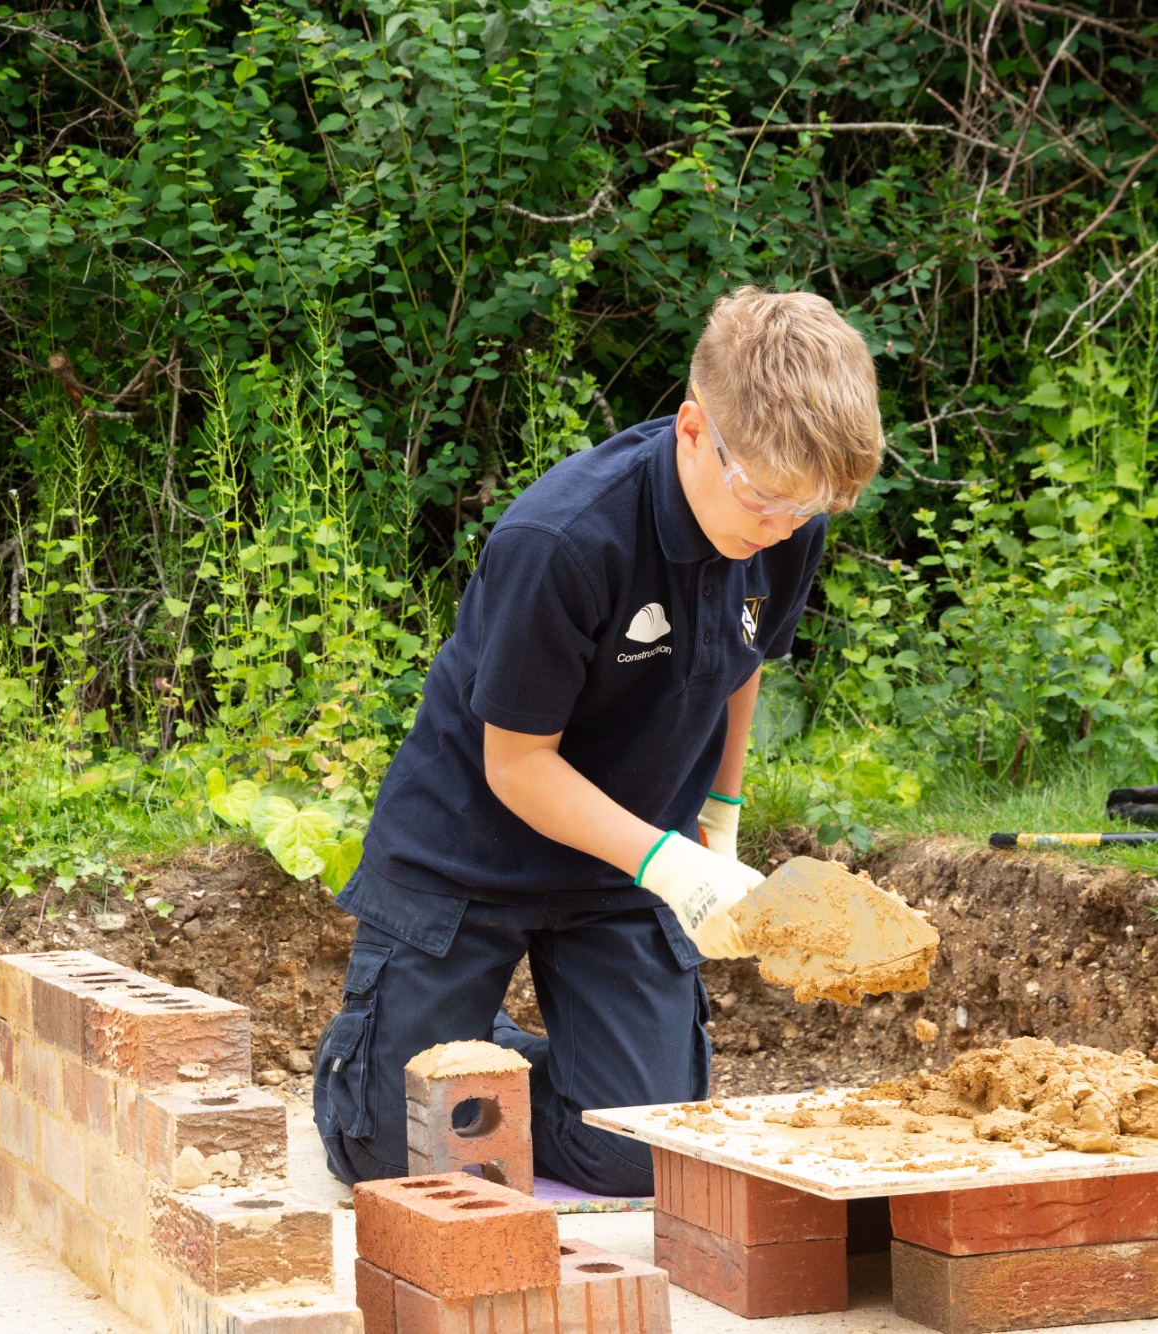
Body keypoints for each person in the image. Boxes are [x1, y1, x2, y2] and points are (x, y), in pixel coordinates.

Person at [312, 288, 883, 1196]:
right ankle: (403, 1049)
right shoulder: (565, 539)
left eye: (806, 511)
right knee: (399, 1155)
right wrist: (670, 865)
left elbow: (743, 663)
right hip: (467, 858)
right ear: (695, 430)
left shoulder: (782, 519)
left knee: (643, 1155)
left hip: (625, 865)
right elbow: (516, 764)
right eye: (765, 501)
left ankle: (501, 1061)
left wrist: (718, 822)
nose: (779, 528)